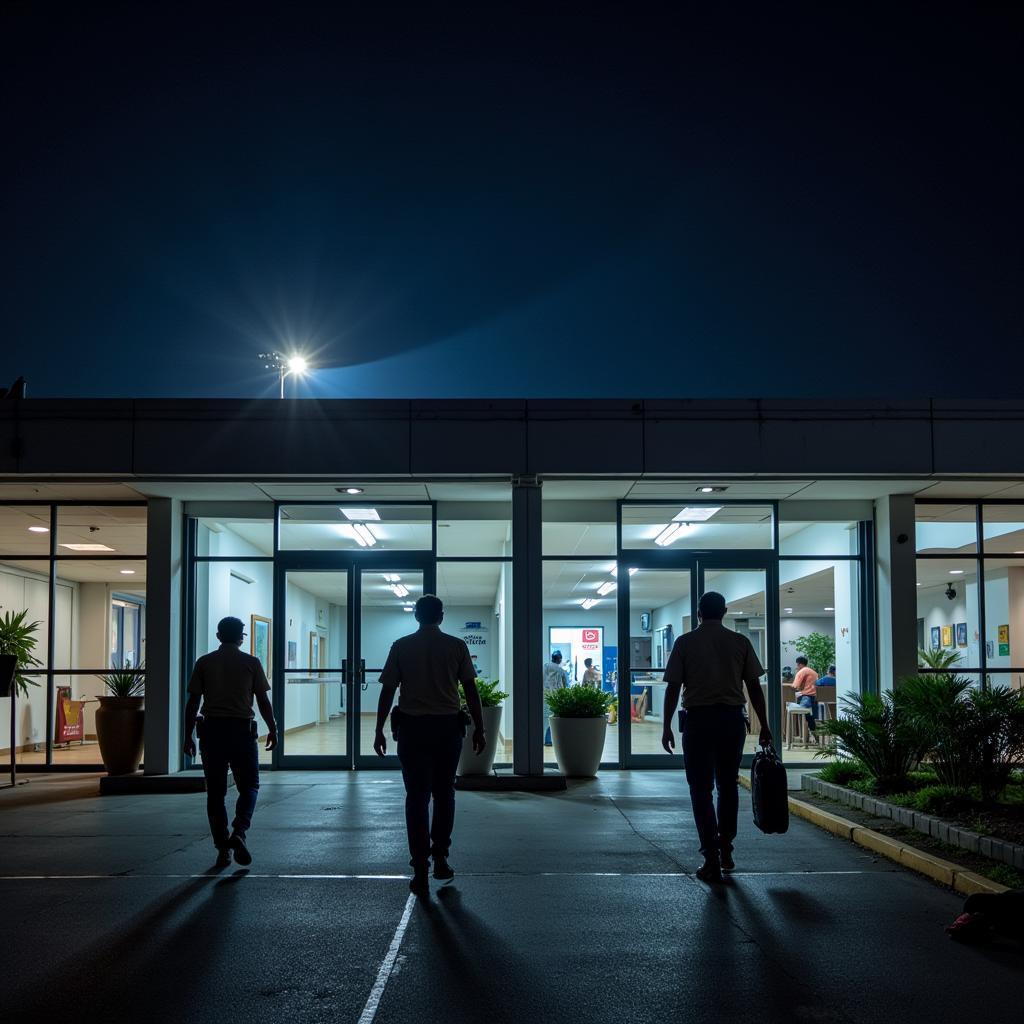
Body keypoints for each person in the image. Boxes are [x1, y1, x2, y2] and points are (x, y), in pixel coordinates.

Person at [374, 594, 485, 896]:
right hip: (448, 729)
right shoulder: (456, 646)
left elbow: (387, 691)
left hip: (412, 730)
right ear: (442, 616)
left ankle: (419, 866)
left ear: (416, 616)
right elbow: (471, 691)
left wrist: (379, 729)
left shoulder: (401, 646)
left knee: (416, 797)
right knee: (444, 793)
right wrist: (480, 728)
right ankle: (441, 857)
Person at [661, 591, 772, 883]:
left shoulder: (685, 643)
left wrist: (666, 726)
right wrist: (766, 724)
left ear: (699, 613)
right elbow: (754, 688)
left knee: (700, 789)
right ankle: (726, 848)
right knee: (728, 785)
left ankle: (710, 855)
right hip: (731, 720)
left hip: (697, 722)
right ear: (723, 612)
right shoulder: (740, 642)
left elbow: (673, 687)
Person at [183, 616, 277, 868]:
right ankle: (239, 831)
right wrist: (273, 729)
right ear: (241, 637)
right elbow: (263, 702)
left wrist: (186, 735)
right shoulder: (251, 663)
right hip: (241, 732)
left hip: (211, 732)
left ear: (218, 636)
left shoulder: (204, 663)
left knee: (215, 793)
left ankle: (222, 848)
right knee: (250, 786)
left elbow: (193, 702)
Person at [542, 650, 569, 745]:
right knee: (553, 717)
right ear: (559, 659)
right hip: (555, 697)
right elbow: (566, 685)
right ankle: (549, 740)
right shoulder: (560, 670)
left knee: (545, 718)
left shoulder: (545, 666)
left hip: (544, 696)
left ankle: (545, 739)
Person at [789, 655, 819, 736]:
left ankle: (802, 736)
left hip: (806, 698)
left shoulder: (802, 671)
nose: (797, 666)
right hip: (814, 697)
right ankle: (813, 736)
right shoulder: (814, 672)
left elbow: (795, 686)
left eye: (797, 664)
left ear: (799, 664)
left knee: (804, 717)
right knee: (811, 718)